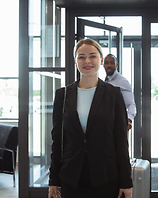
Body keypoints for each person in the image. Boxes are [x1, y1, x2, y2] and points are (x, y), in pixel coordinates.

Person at [48, 38, 133, 198]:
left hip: (106, 177)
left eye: (92, 56)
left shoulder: (114, 94)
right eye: (81, 57)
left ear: (101, 60)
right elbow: (57, 141)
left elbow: (121, 141)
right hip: (72, 178)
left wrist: (126, 181)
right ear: (75, 62)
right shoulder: (62, 95)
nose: (87, 61)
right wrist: (53, 179)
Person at [104, 54, 137, 130]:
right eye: (106, 63)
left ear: (116, 65)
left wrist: (128, 120)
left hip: (118, 125)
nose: (109, 65)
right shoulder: (106, 80)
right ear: (103, 65)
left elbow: (131, 104)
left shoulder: (122, 81)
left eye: (112, 63)